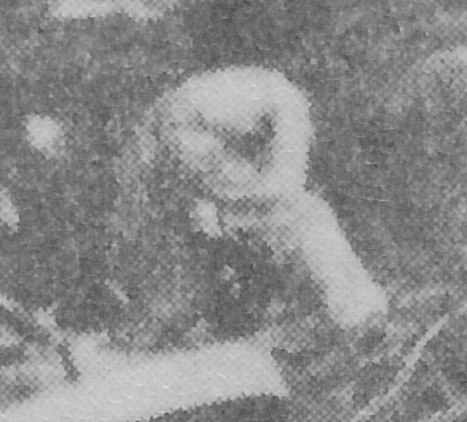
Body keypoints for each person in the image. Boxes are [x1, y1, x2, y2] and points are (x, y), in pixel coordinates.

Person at [104, 65, 387, 347]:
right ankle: (355, 313)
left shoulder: (268, 98)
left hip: (176, 127)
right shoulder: (288, 106)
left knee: (219, 231)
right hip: (184, 126)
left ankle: (175, 317)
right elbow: (283, 187)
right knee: (302, 217)